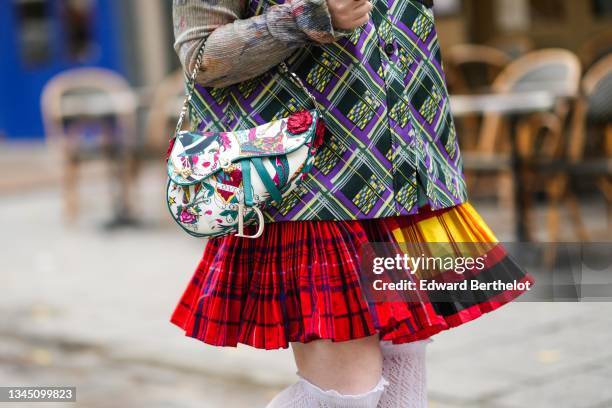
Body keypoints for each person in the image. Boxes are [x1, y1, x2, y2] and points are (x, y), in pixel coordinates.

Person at [170, 0, 534, 406]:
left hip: (410, 176)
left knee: (404, 374)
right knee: (347, 395)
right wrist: (313, 15)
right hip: (315, 186)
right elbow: (199, 56)